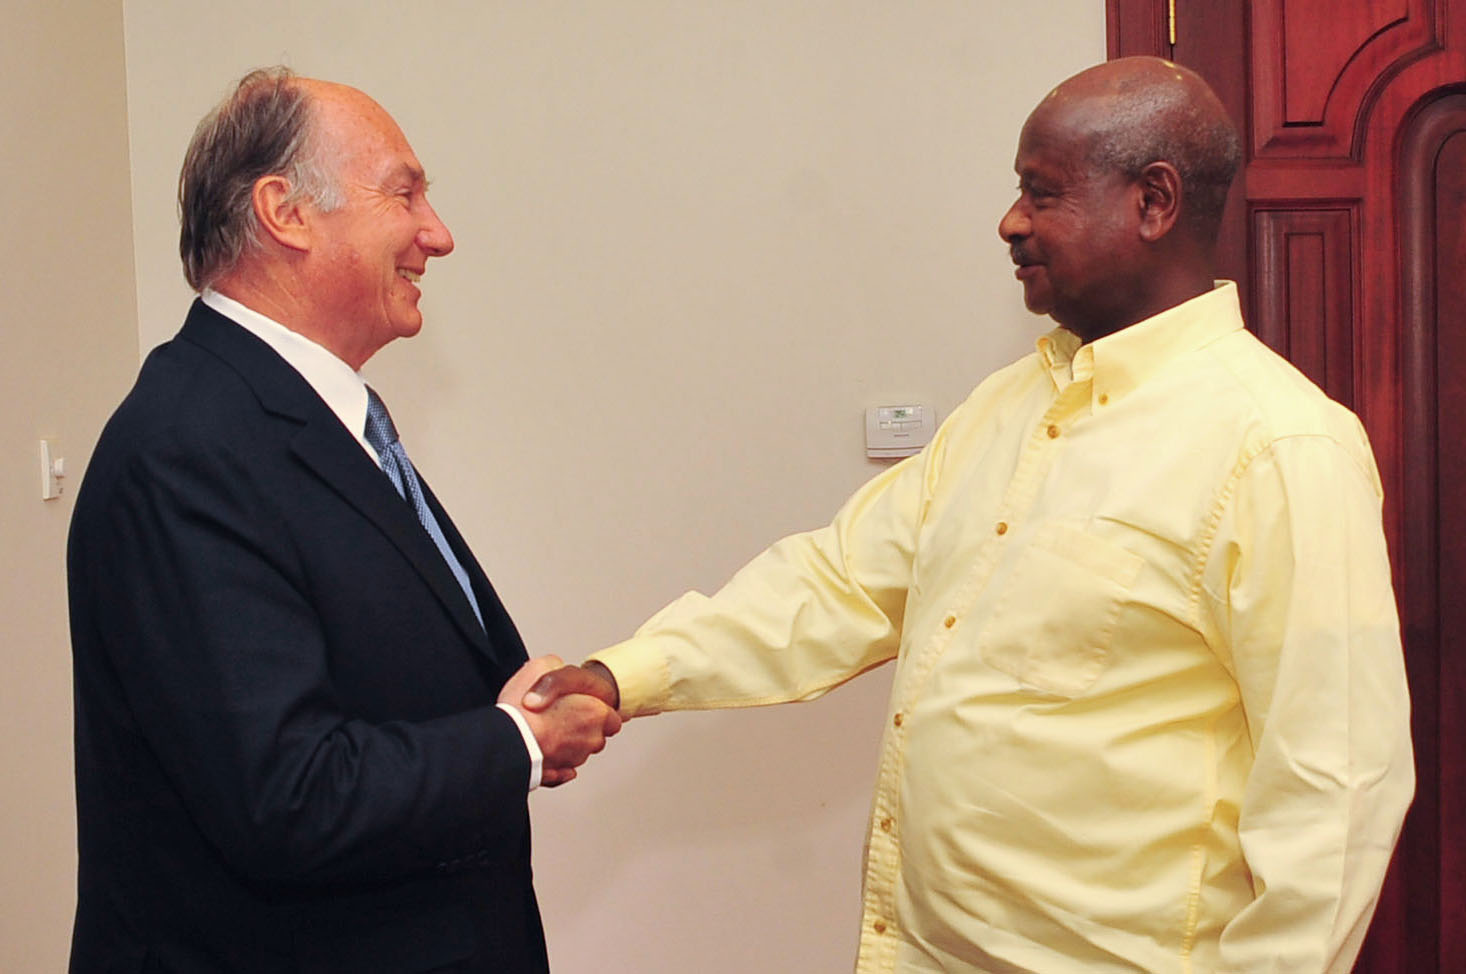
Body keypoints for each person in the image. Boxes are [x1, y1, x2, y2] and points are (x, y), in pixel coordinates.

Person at [527, 57, 1415, 972]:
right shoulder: (1006, 406)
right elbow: (839, 584)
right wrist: (622, 676)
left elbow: (1336, 791)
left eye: (1043, 192)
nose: (1011, 221)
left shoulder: (1279, 447)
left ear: (1154, 202)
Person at [66, 67, 619, 973]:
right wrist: (514, 740)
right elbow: (286, 795)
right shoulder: (186, 446)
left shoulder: (309, 415)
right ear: (285, 212)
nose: (437, 234)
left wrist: (510, 702)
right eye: (405, 192)